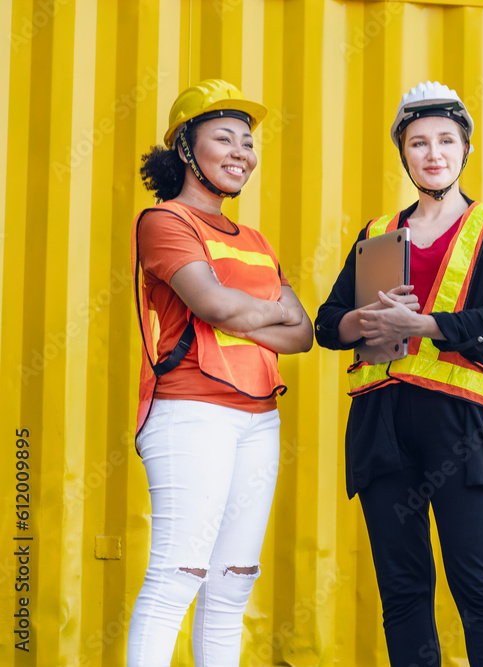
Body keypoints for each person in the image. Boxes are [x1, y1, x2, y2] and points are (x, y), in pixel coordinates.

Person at [315, 81, 483, 665]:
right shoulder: (378, 232)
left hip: (461, 427)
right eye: (418, 143)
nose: (433, 153)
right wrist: (365, 320)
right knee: (403, 591)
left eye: (445, 141)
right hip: (382, 426)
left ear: (466, 150)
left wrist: (421, 324)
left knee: (480, 591)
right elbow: (327, 325)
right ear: (403, 154)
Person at [127, 78, 313, 666]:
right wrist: (265, 313)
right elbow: (214, 306)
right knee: (176, 578)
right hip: (190, 414)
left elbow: (303, 334)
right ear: (186, 150)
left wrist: (241, 315)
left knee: (231, 587)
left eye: (248, 142)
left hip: (259, 420)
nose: (242, 153)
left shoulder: (254, 239)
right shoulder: (164, 221)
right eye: (224, 138)